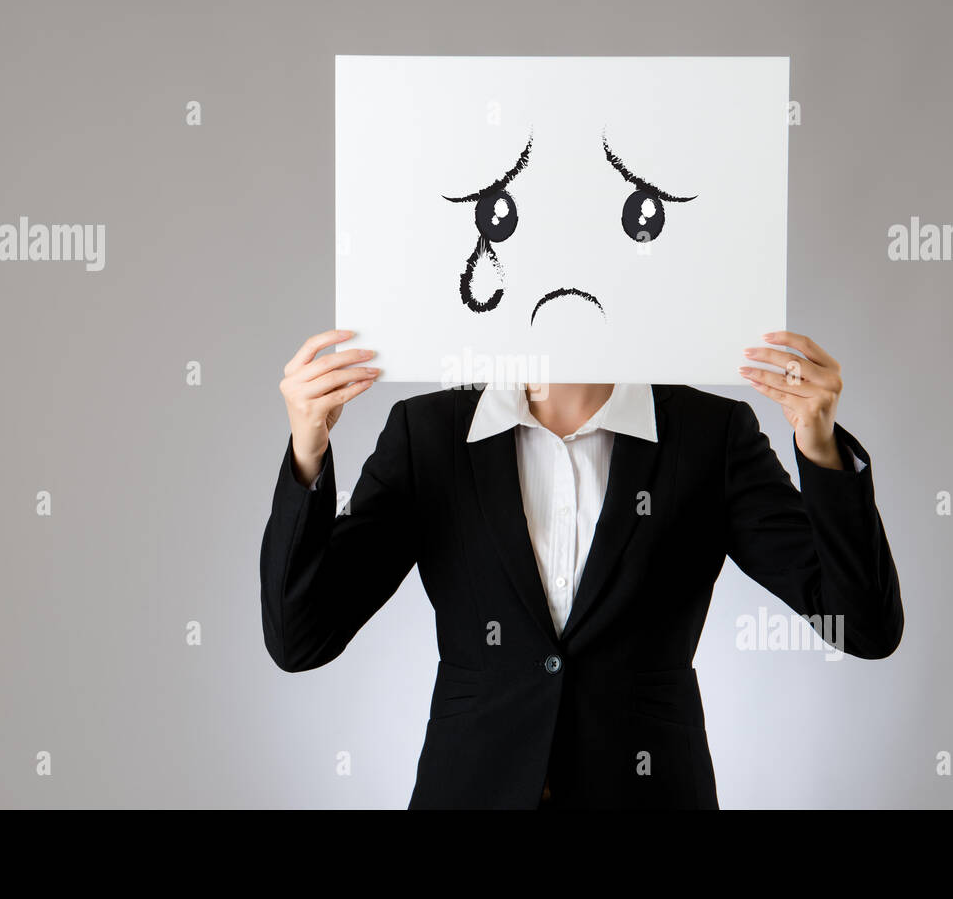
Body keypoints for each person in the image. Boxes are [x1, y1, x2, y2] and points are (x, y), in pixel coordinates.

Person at [260, 328, 903, 809]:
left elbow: (862, 627)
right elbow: (300, 637)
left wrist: (819, 448)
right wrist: (307, 451)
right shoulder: (428, 433)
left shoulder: (710, 433)